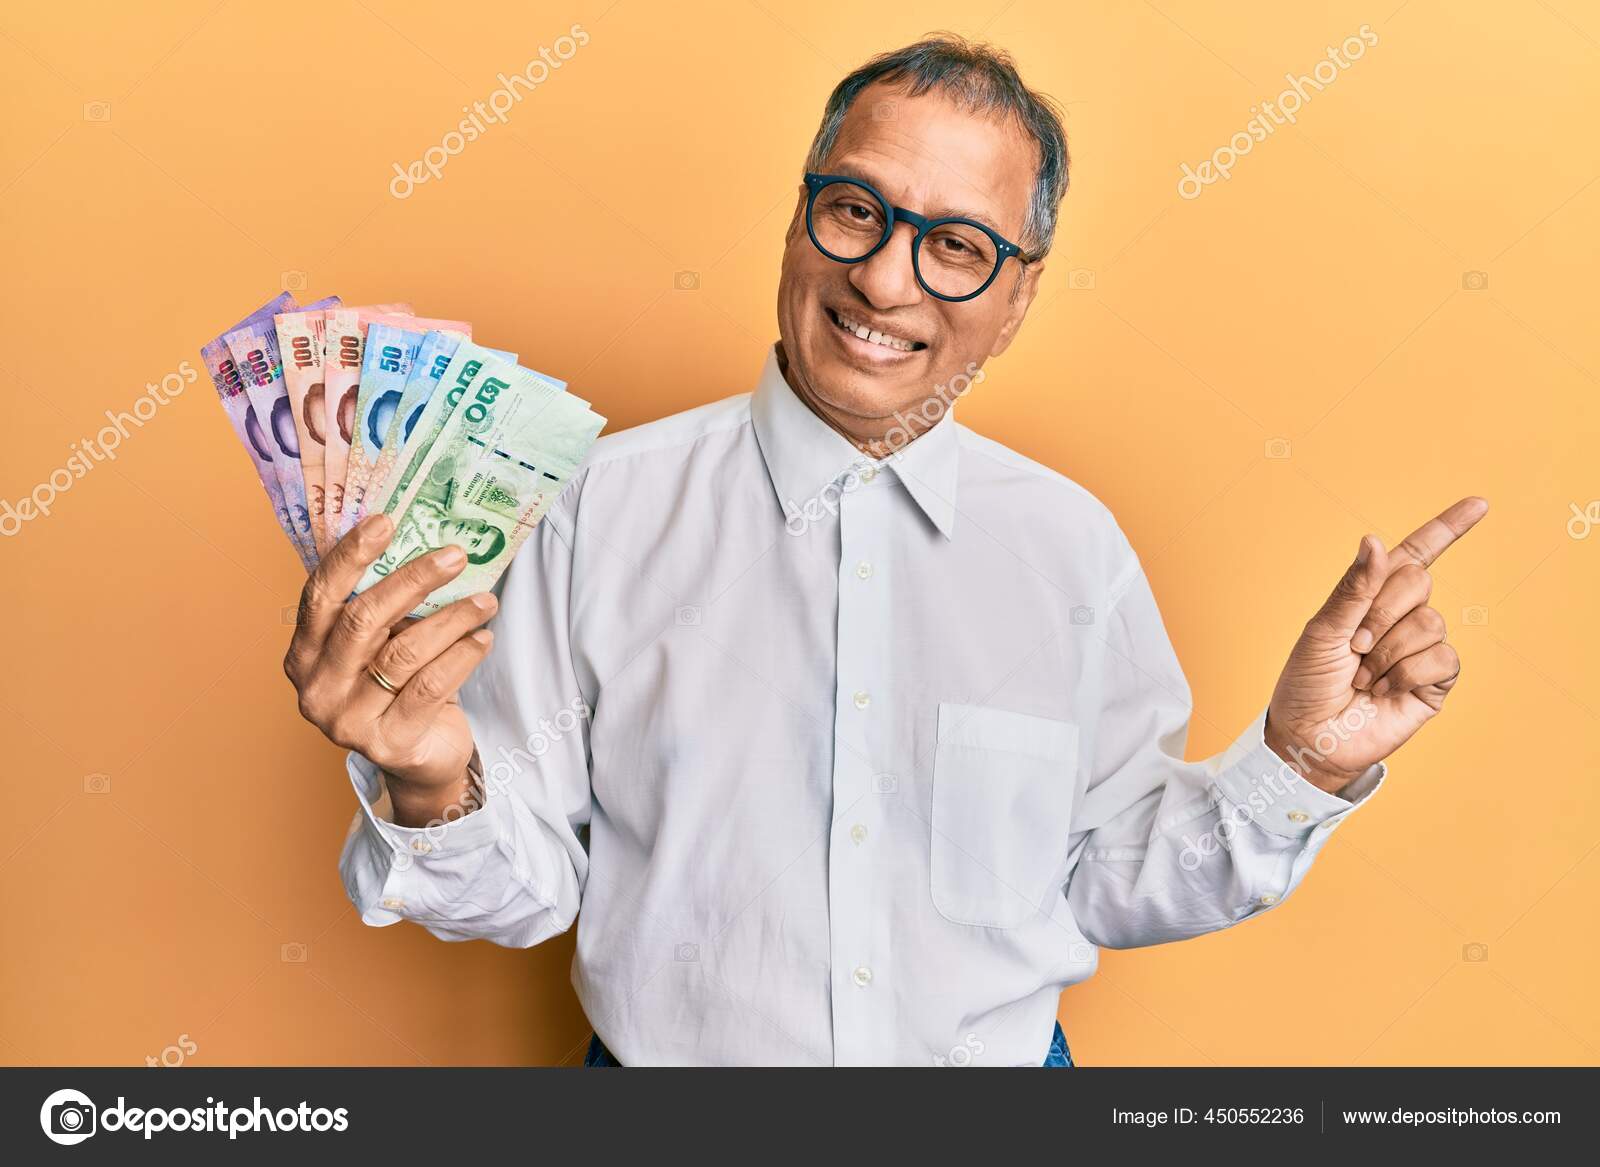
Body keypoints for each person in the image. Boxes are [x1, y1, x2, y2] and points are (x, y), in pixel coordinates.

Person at [284, 35, 1485, 1066]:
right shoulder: (599, 508)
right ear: (801, 219)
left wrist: (1300, 764)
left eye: (957, 245)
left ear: (1016, 298)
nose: (884, 277)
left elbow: (1109, 881)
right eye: (857, 211)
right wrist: (434, 780)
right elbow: (518, 890)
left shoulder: (1072, 550)